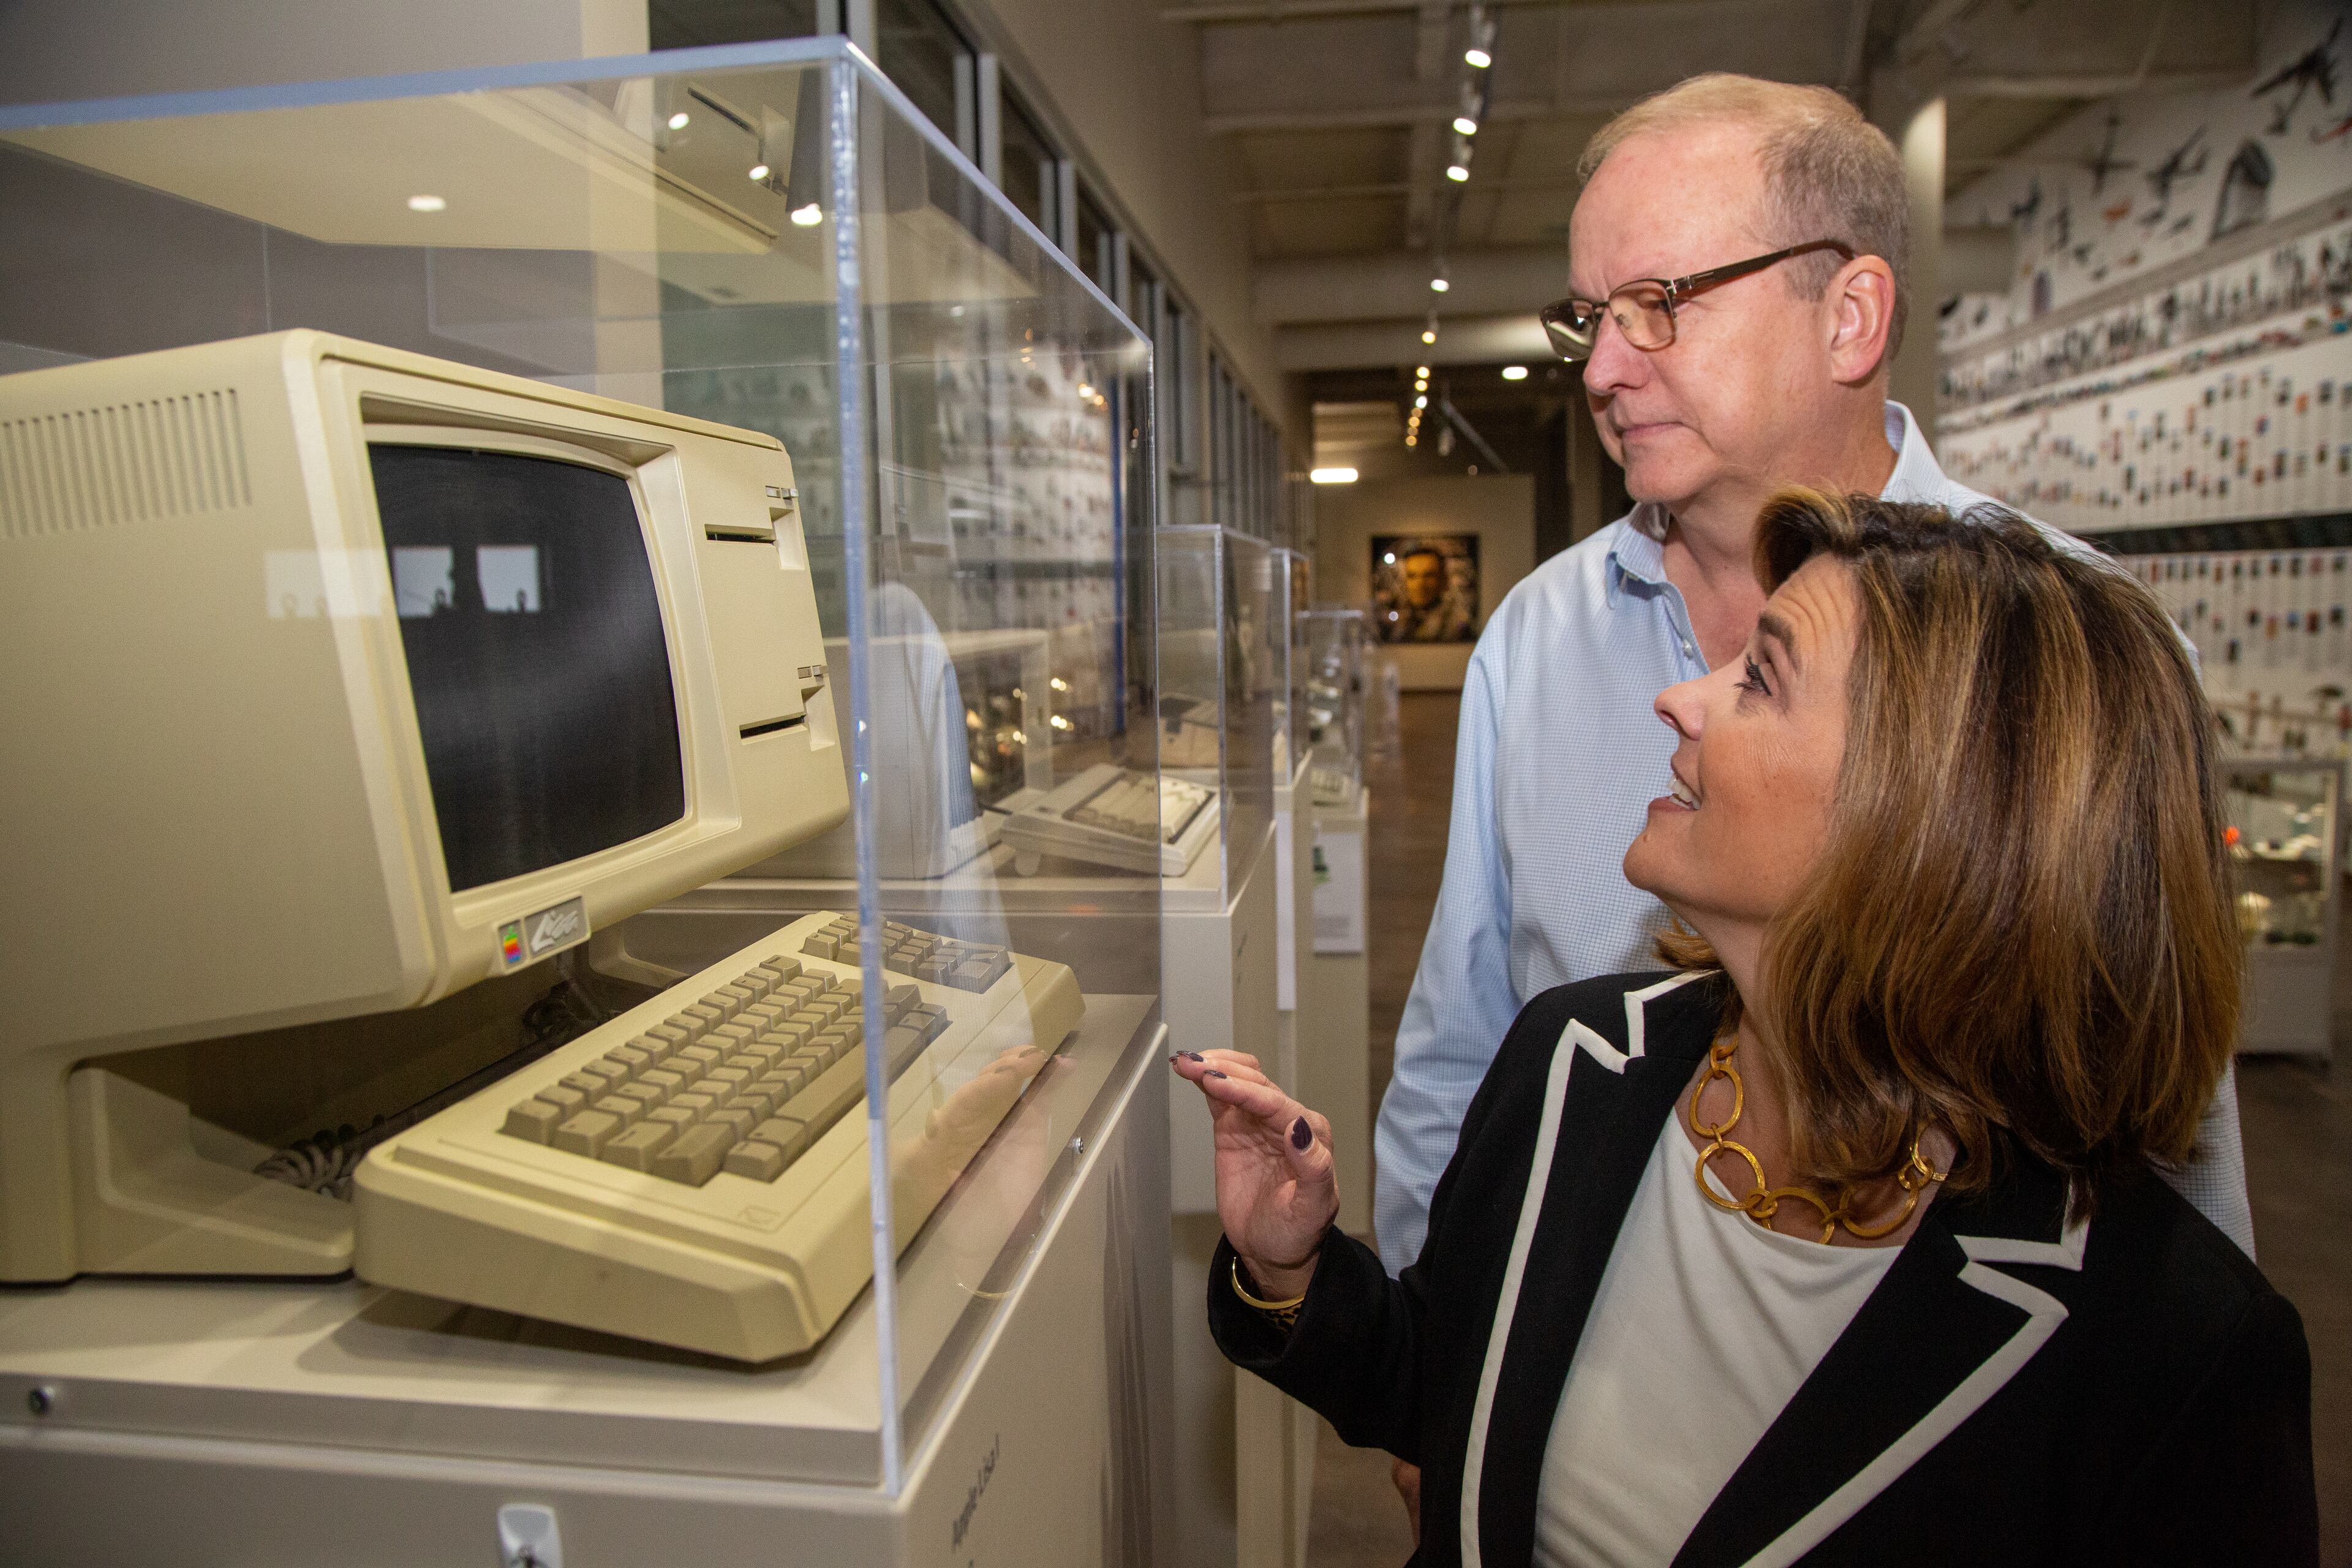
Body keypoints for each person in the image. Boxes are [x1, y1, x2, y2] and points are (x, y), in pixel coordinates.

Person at [1175, 493, 2317, 1567]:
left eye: (1759, 679)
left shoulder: (2179, 1352)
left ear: (1926, 815)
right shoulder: (1575, 1062)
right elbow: (1454, 1379)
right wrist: (1296, 1271)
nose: (1681, 698)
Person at [1375, 72, 2255, 1294]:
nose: (1602, 370)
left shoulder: (2078, 647)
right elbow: (1457, 1042)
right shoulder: (1538, 636)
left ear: (1849, 314)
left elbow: (2173, 1132)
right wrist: (1432, 1365)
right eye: (1591, 317)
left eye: (1659, 303)